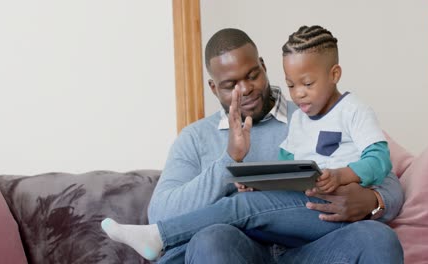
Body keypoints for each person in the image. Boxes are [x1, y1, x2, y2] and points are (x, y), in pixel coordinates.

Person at [102, 27, 404, 263]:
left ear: (263, 66)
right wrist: (228, 163)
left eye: (252, 75)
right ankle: (163, 238)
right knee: (213, 238)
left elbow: (385, 172)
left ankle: (161, 238)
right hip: (237, 252)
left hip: (313, 246)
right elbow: (161, 213)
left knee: (378, 237)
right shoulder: (194, 138)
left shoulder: (314, 110)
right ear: (212, 87)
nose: (245, 89)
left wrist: (372, 201)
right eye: (231, 84)